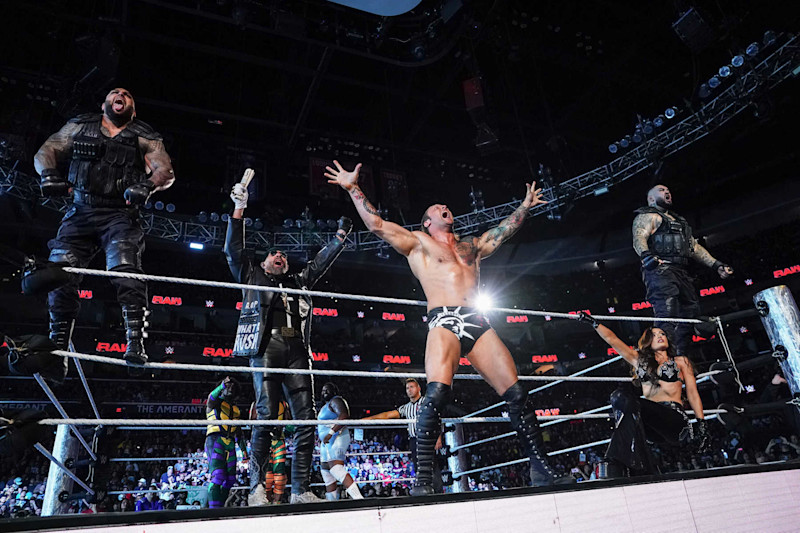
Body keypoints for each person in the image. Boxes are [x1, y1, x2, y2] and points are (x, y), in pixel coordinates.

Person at [327, 161, 569, 494]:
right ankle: (424, 480)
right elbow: (378, 224)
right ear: (427, 222)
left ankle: (542, 470)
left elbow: (503, 231)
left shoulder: (471, 246)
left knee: (518, 395)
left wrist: (525, 206)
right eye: (436, 208)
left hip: (477, 320)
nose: (445, 206)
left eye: (446, 206)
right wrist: (353, 188)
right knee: (437, 394)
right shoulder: (418, 244)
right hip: (445, 318)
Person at [224, 173, 353, 504]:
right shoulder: (251, 275)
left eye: (283, 255)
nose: (279, 256)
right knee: (266, 415)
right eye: (273, 254)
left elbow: (319, 264)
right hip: (264, 347)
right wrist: (239, 209)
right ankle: (256, 488)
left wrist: (339, 237)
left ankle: (300, 490)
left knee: (307, 417)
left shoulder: (298, 281)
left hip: (298, 350)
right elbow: (233, 249)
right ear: (264, 260)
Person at [33, 88, 175, 365]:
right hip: (81, 211)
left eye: (127, 94)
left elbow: (165, 171)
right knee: (58, 271)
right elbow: (46, 150)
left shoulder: (144, 134)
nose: (120, 94)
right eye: (115, 92)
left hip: (120, 215)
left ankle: (135, 343)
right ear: (104, 104)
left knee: (126, 271)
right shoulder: (80, 125)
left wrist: (147, 185)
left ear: (133, 110)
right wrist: (49, 174)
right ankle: (58, 350)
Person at [578, 312, 710, 476]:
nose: (660, 336)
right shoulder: (639, 361)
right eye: (655, 335)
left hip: (674, 420)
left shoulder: (681, 361)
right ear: (648, 341)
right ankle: (641, 468)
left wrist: (701, 423)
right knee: (619, 397)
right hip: (649, 425)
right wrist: (594, 323)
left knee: (629, 403)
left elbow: (692, 392)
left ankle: (615, 462)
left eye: (662, 334)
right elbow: (612, 340)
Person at [632, 184, 733, 357]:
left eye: (668, 190)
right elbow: (639, 236)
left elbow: (693, 247)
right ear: (650, 198)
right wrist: (646, 255)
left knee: (691, 313)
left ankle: (680, 356)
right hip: (660, 269)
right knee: (667, 309)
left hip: (681, 271)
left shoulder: (679, 221)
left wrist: (716, 265)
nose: (667, 192)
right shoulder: (648, 216)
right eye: (661, 190)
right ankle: (661, 358)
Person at [362, 378, 443, 490]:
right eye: (407, 388)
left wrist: (438, 437)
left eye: (411, 387)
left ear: (418, 388)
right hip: (414, 439)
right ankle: (426, 491)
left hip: (427, 438)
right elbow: (387, 415)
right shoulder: (406, 407)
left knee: (431, 465)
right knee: (418, 466)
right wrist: (368, 419)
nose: (409, 390)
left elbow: (436, 417)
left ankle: (439, 492)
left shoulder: (426, 402)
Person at [205, 377, 249, 508]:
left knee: (230, 480)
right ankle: (213, 510)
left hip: (229, 442)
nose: (230, 389)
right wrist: (222, 386)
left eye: (232, 387)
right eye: (228, 386)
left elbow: (239, 433)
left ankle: (220, 507)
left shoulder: (235, 410)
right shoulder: (214, 403)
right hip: (215, 439)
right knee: (218, 476)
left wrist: (244, 452)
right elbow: (211, 398)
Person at [317, 382, 363, 500]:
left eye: (327, 390)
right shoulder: (326, 405)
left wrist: (331, 433)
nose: (324, 392)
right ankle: (331, 502)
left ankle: (358, 498)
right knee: (326, 470)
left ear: (334, 391)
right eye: (322, 390)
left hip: (336, 436)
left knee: (336, 468)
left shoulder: (336, 400)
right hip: (326, 441)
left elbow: (344, 415)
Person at [249, 399, 289, 504]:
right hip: (264, 441)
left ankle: (277, 502)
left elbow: (289, 422)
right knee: (266, 473)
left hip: (279, 440)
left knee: (279, 473)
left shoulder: (284, 404)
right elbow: (251, 422)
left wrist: (281, 426)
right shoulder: (257, 403)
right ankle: (266, 501)